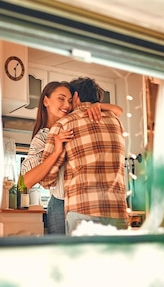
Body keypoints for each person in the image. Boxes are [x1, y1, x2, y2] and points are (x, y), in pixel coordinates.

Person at [20, 81, 122, 234]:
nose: (67, 105)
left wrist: (100, 106)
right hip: (61, 204)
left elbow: (118, 110)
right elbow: (24, 182)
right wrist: (55, 153)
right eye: (61, 99)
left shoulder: (75, 124)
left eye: (69, 100)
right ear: (46, 101)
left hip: (83, 203)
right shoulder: (42, 137)